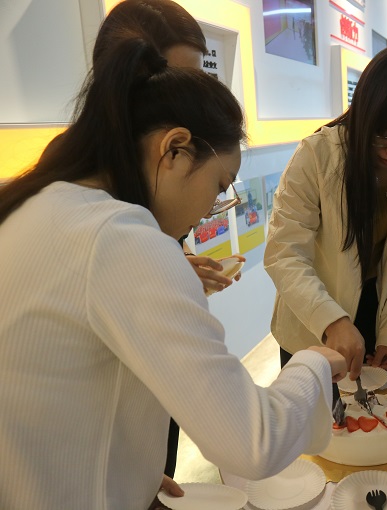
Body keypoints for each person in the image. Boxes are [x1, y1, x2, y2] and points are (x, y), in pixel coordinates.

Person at [0, 33, 346, 510]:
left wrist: (125, 463)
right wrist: (315, 364)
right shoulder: (123, 240)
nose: (210, 211)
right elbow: (253, 440)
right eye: (219, 186)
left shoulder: (39, 202)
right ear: (176, 149)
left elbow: (45, 390)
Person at [87, 0, 243, 485]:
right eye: (171, 80)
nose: (189, 99)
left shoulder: (140, 197)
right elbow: (246, 436)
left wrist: (178, 261)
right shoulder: (108, 228)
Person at [264, 46, 387, 380]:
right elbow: (284, 252)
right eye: (384, 134)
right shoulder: (318, 155)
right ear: (363, 112)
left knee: (374, 410)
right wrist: (331, 320)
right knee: (316, 409)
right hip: (313, 316)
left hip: (378, 312)